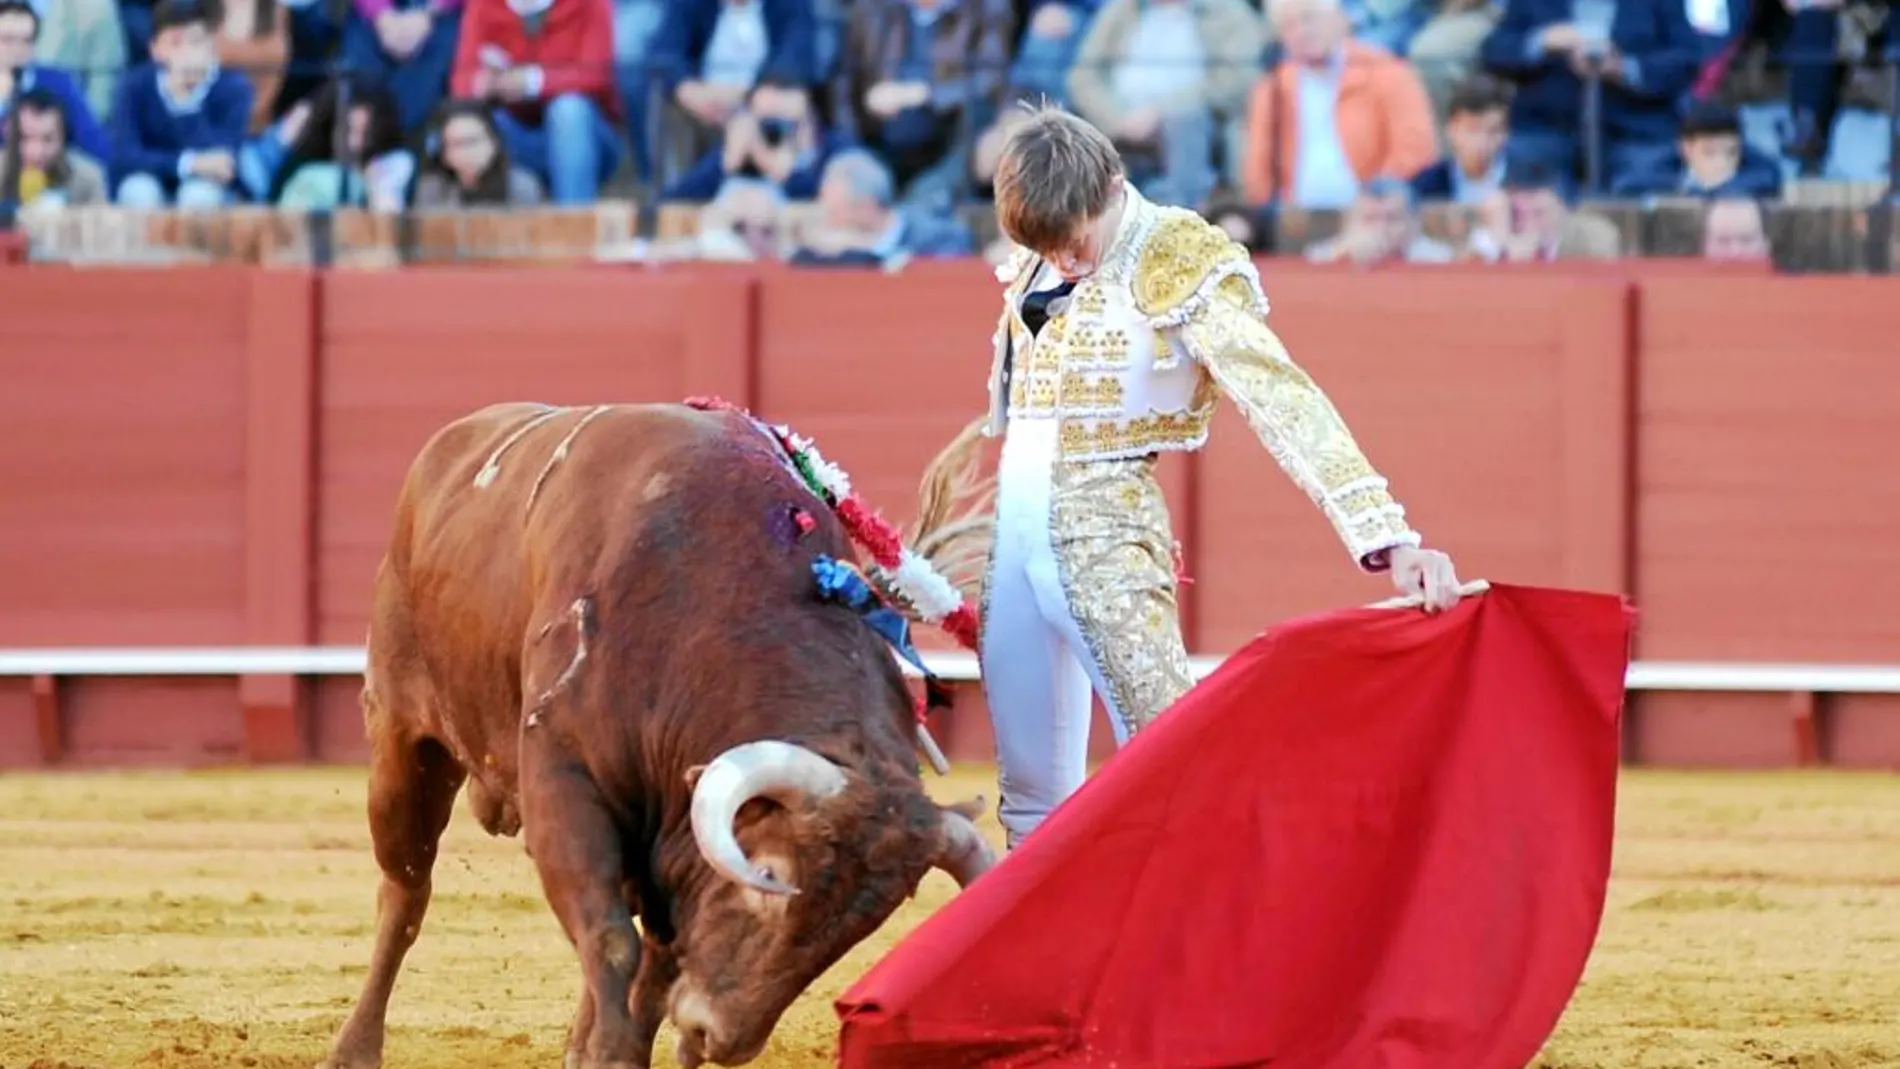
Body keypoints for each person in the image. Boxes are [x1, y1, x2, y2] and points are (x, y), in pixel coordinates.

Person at [972, 103, 1463, 849]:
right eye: (1047, 249)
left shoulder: (1173, 253)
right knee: (1031, 796)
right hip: (1011, 539)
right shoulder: (1044, 246)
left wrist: (1387, 537)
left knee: (1176, 763)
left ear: (1110, 188)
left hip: (1107, 534)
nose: (1063, 265)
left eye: (1073, 245)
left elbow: (1280, 394)